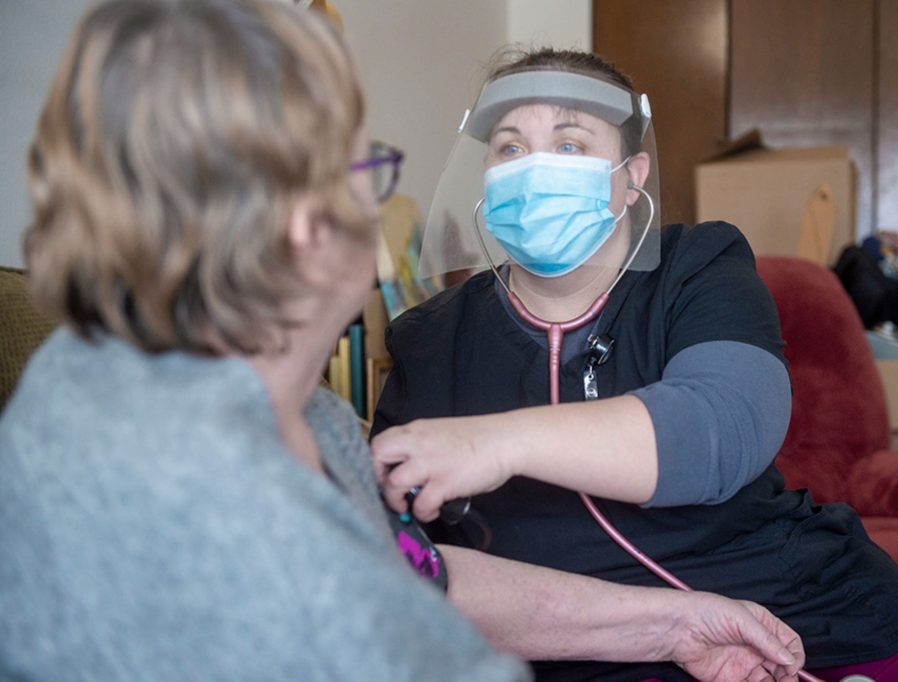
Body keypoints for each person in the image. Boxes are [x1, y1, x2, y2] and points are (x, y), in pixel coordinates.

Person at [370, 48, 898, 682]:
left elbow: (722, 429)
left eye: (569, 144)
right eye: (510, 147)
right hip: (589, 656)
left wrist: (496, 442)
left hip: (812, 611)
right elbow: (409, 565)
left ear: (632, 176)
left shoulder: (699, 266)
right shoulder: (429, 338)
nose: (533, 167)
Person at [0, 1, 532, 680]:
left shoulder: (99, 370)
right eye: (368, 169)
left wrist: (671, 621)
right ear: (306, 227)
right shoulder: (246, 525)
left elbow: (414, 573)